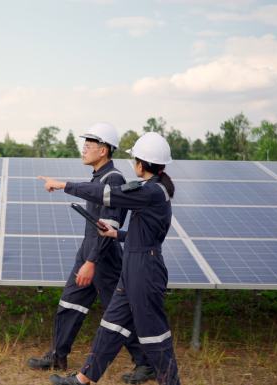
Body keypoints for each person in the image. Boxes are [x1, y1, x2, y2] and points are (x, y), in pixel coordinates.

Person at [39, 132, 181, 385]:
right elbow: (147, 233)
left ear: (141, 163)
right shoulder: (152, 189)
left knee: (154, 334)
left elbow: (108, 195)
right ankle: (83, 379)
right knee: (111, 325)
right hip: (135, 265)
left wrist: (63, 185)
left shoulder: (151, 192)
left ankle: (170, 381)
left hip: (145, 269)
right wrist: (117, 233)